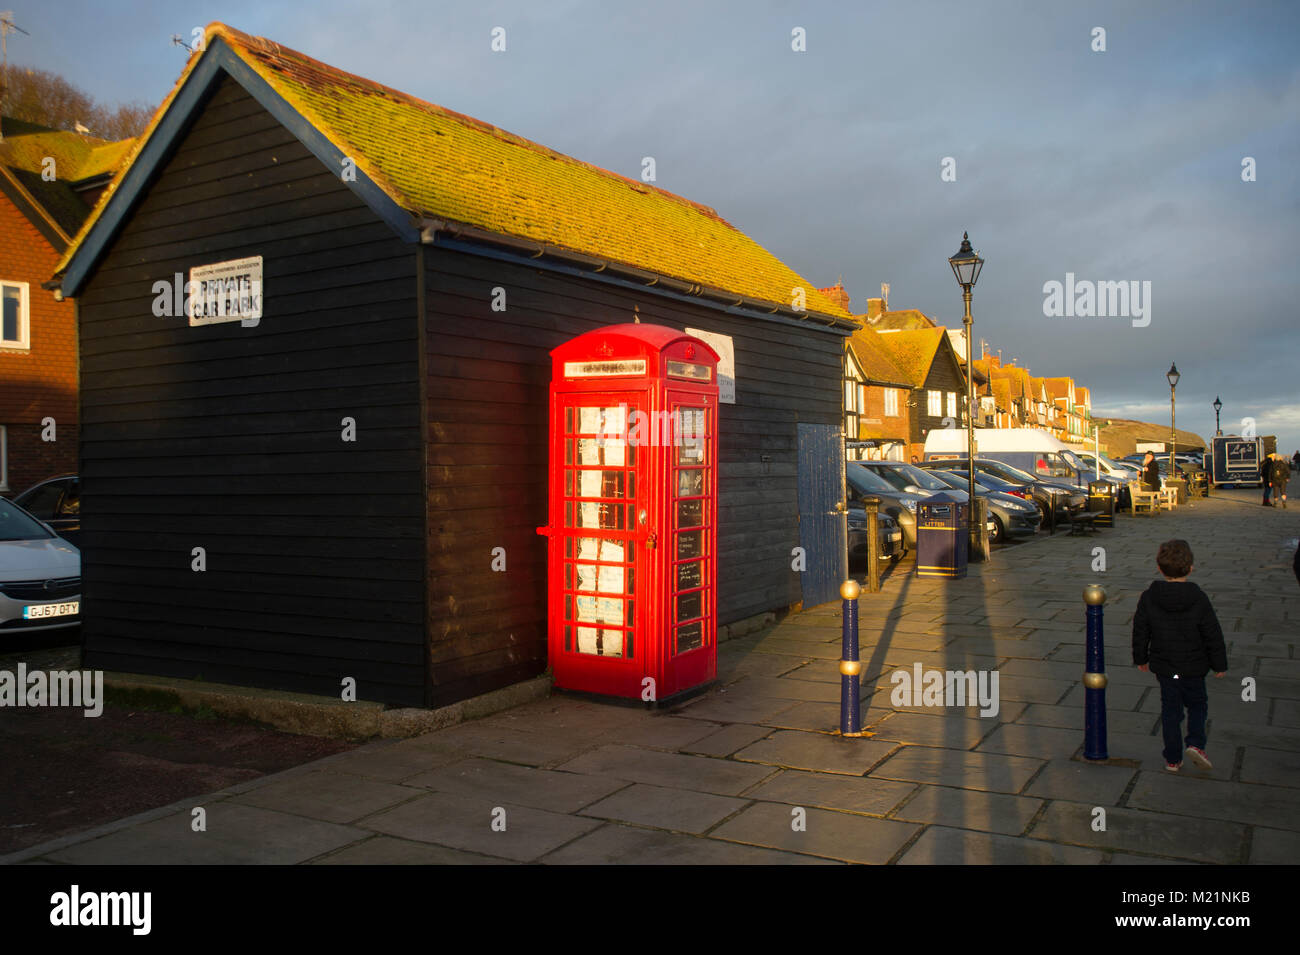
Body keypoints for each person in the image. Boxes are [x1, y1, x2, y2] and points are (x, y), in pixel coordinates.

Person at [1132, 539, 1228, 772]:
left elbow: (1141, 629)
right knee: (1197, 705)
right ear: (1191, 567)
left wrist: (1141, 658)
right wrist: (1219, 664)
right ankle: (1196, 743)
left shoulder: (1149, 596)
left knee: (1170, 710)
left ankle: (1173, 758)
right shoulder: (1199, 597)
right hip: (1194, 668)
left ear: (1160, 567)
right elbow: (1212, 633)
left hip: (1167, 669)